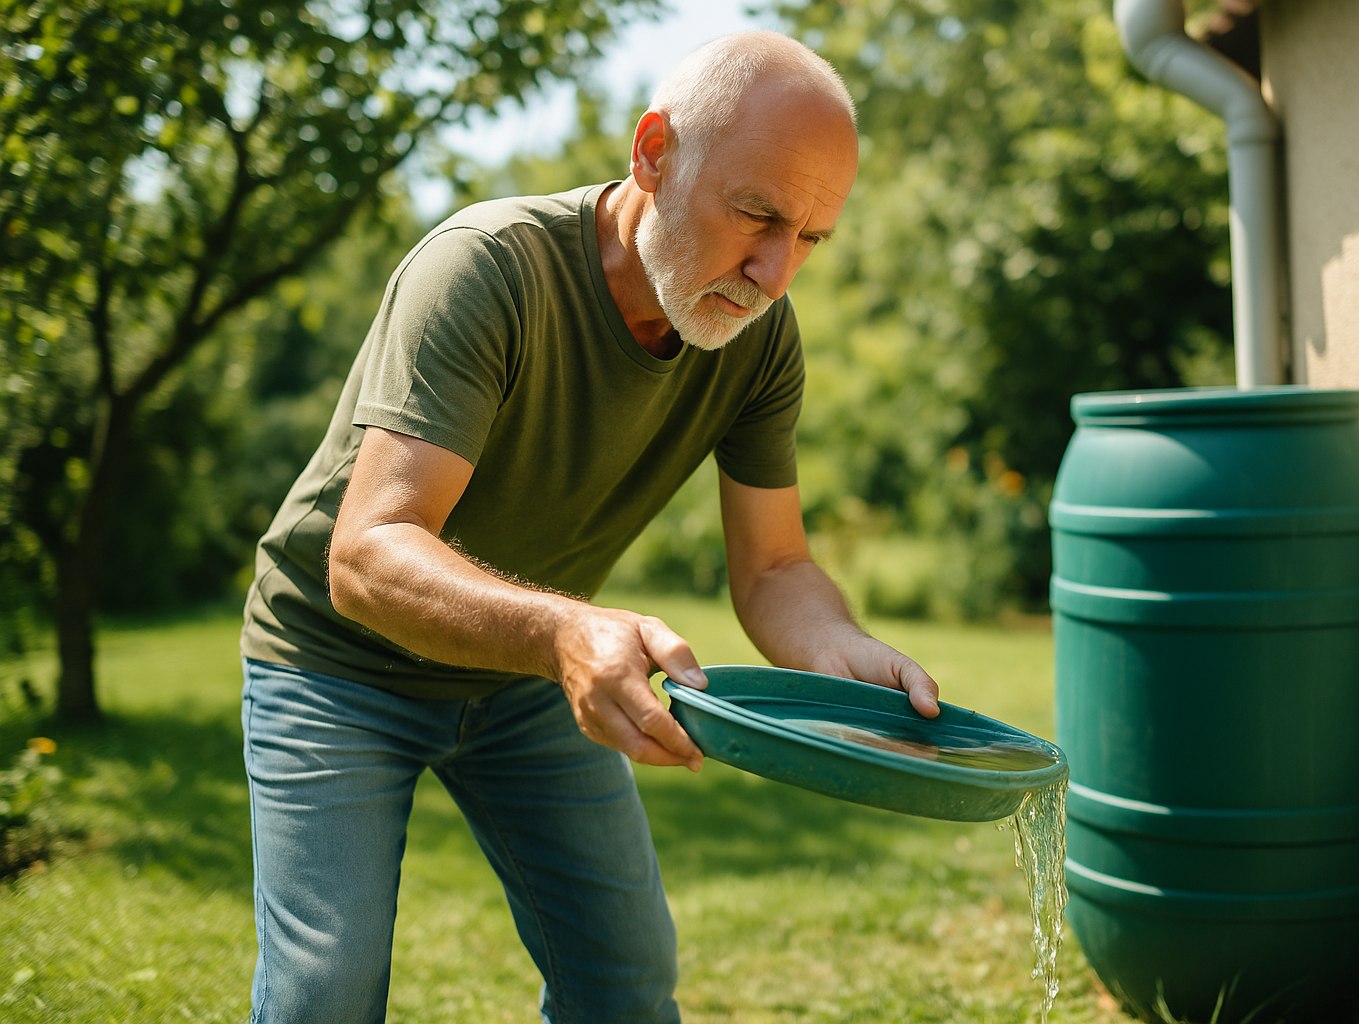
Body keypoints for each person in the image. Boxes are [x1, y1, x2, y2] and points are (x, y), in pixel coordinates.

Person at [238, 29, 940, 1024]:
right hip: (338, 666)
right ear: (653, 153)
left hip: (520, 676)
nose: (776, 272)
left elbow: (775, 567)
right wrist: (566, 632)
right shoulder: (486, 270)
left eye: (812, 239)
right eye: (757, 215)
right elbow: (364, 556)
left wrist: (842, 652)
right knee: (327, 993)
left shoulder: (756, 339)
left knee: (626, 982)